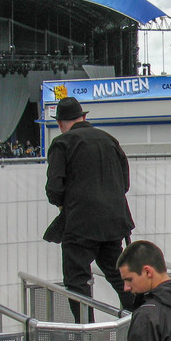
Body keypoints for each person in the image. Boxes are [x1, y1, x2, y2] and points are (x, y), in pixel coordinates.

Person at [45, 96, 135, 321]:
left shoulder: (62, 143)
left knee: (77, 281)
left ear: (60, 123)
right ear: (84, 117)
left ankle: (88, 335)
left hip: (80, 224)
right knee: (119, 274)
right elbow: (124, 183)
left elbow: (54, 188)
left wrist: (65, 203)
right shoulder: (109, 140)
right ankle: (142, 319)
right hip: (114, 222)